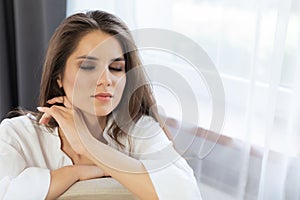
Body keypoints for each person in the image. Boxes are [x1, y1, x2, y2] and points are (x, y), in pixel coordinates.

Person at [0, 10, 201, 199]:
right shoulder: (18, 134)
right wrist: (74, 173)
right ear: (58, 76)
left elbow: (186, 192)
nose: (106, 80)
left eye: (116, 68)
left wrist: (90, 147)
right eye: (88, 66)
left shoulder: (140, 130)